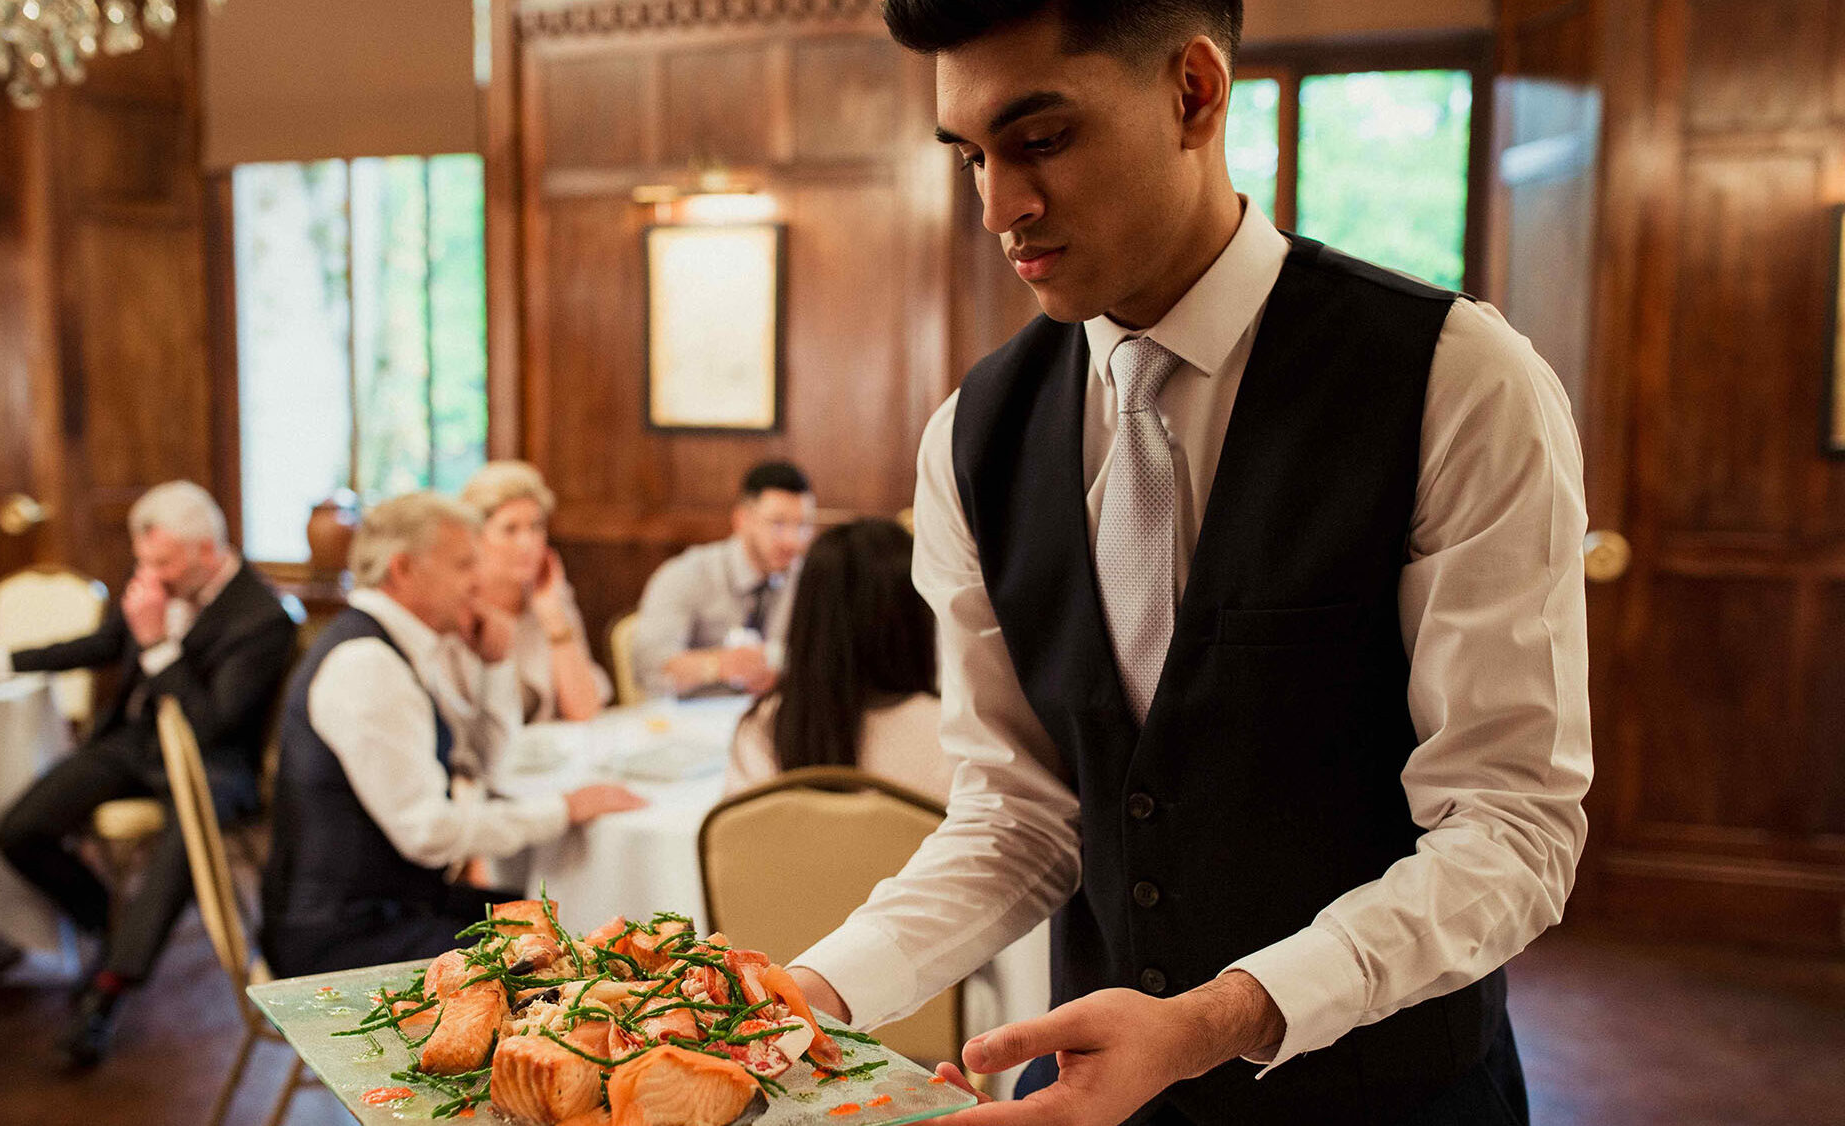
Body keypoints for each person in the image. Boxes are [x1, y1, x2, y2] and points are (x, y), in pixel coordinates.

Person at [786, 4, 1592, 1126]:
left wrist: (1219, 1017)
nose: (996, 207)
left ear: (1194, 94)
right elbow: (1019, 813)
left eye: (1040, 140)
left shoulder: (1457, 384)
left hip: (1393, 1096)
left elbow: (1509, 830)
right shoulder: (970, 435)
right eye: (970, 155)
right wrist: (805, 994)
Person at [0, 480, 298, 1070]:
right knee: (19, 829)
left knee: (184, 845)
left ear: (207, 550)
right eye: (143, 559)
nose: (150, 573)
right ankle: (103, 922)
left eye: (163, 561)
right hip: (131, 744)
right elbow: (97, 644)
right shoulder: (158, 577)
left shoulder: (264, 615)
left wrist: (156, 645)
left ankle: (109, 991)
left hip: (212, 763)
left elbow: (211, 724)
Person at [260, 493, 643, 978]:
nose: (478, 581)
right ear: (403, 570)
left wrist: (495, 663)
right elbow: (428, 833)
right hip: (344, 938)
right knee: (574, 961)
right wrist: (564, 810)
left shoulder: (400, 645)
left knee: (573, 926)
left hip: (394, 906)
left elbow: (486, 765)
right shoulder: (368, 665)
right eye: (464, 564)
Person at [723, 518, 947, 801]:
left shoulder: (764, 729)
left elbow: (736, 839)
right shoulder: (953, 740)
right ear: (917, 619)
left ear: (808, 617)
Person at [631, 461, 816, 698]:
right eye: (778, 523)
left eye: (803, 525)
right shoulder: (688, 573)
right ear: (741, 520)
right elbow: (648, 668)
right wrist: (718, 666)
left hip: (775, 720)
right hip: (694, 723)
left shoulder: (809, 580)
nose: (793, 541)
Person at [460, 461, 613, 722]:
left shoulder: (550, 596)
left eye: (536, 527)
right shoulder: (458, 607)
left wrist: (553, 616)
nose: (527, 543)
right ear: (475, 536)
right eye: (510, 529)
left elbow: (585, 711)